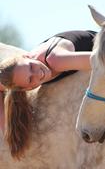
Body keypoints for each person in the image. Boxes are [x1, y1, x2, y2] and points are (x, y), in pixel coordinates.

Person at [0, 30, 96, 158]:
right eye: (30, 79)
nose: (38, 74)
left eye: (31, 67)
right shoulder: (25, 69)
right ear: (28, 88)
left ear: (26, 57)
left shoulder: (56, 60)